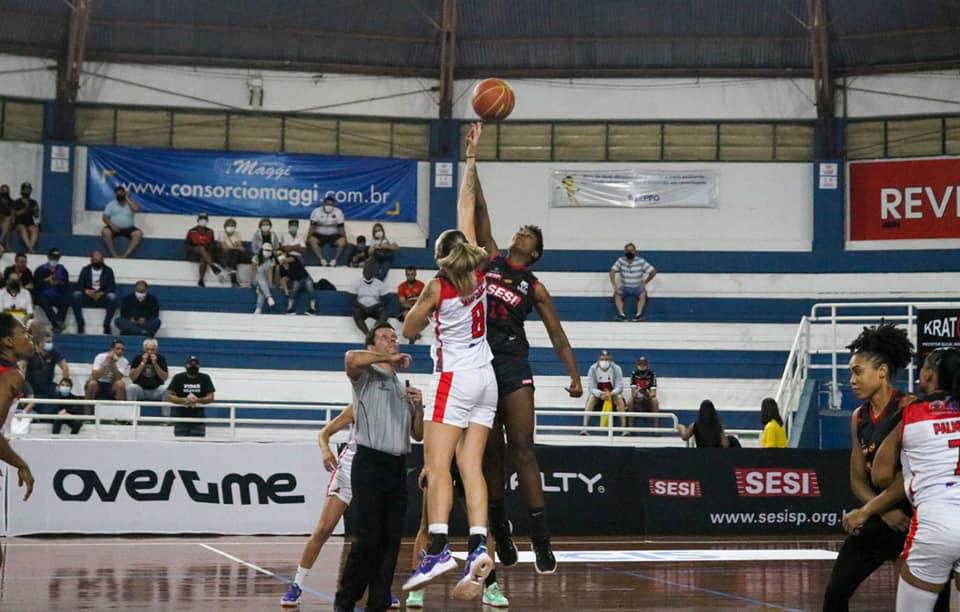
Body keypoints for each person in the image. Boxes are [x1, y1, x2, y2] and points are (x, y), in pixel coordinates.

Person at [457, 121, 582, 574]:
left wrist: (573, 376)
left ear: (535, 252)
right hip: (477, 362)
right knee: (489, 453)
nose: (523, 232)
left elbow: (558, 336)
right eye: (521, 230)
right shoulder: (489, 257)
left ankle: (542, 539)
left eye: (531, 234)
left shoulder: (534, 286)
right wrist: (473, 158)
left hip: (512, 363)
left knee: (523, 448)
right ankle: (500, 528)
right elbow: (480, 206)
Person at [400, 186, 498, 598]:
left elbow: (407, 329)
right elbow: (467, 207)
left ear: (441, 257)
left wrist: (421, 316)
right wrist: (472, 159)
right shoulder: (480, 271)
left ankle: (439, 545)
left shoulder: (438, 286)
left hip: (454, 378)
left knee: (438, 466)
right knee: (471, 467)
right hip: (486, 379)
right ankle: (477, 543)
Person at [820, 323, 951, 612]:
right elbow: (858, 479)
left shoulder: (912, 407)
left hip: (915, 519)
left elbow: (911, 472)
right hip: (883, 517)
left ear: (881, 372)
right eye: (850, 373)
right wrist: (881, 510)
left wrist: (877, 510)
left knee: (934, 604)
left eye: (857, 371)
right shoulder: (858, 416)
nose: (851, 380)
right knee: (835, 593)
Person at [282, 400, 423, 608]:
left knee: (379, 534)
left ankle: (381, 588)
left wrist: (418, 408)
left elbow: (418, 435)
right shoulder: (359, 404)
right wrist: (325, 451)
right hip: (348, 471)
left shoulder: (398, 404)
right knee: (324, 529)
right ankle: (297, 583)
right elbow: (324, 434)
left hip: (376, 473)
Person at [333, 323, 422, 612]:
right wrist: (387, 359)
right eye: (385, 337)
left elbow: (417, 434)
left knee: (391, 540)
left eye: (394, 337)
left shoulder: (402, 386)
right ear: (371, 347)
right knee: (369, 538)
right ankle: (346, 599)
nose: (392, 340)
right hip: (369, 462)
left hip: (397, 466)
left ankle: (379, 601)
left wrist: (419, 408)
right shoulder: (365, 376)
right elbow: (350, 358)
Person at [0, 313, 37, 507]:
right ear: (8, 341)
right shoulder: (11, 376)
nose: (30, 338)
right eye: (24, 333)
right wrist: (21, 464)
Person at [165, 355, 215, 437]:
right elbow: (170, 396)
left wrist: (197, 400)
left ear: (199, 366)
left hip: (198, 420)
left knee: (197, 447)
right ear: (185, 365)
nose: (192, 366)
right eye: (190, 364)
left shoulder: (205, 378)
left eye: (195, 364)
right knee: (179, 446)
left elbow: (210, 397)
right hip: (180, 419)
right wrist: (184, 400)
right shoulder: (178, 377)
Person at [581, 350, 627, 434]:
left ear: (610, 360)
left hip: (612, 394)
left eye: (606, 359)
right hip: (599, 395)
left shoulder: (616, 368)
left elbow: (619, 387)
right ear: (598, 359)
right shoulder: (593, 368)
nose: (604, 361)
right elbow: (591, 387)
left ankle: (624, 428)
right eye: (602, 359)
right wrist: (600, 394)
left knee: (619, 398)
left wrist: (611, 393)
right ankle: (585, 428)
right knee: (591, 398)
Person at [72, 250, 118, 335]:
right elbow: (79, 284)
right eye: (95, 259)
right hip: (88, 296)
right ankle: (80, 324)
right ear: (91, 260)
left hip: (102, 296)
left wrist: (102, 292)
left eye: (99, 259)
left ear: (103, 260)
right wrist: (87, 291)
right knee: (76, 295)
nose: (97, 261)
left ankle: (106, 325)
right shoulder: (85, 270)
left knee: (112, 297)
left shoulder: (108, 270)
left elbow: (112, 286)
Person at [609, 242, 656, 321]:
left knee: (643, 294)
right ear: (625, 251)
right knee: (617, 294)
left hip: (637, 287)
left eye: (631, 251)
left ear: (635, 251)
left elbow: (653, 271)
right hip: (625, 287)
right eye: (628, 251)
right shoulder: (620, 260)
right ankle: (621, 315)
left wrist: (645, 283)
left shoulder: (641, 261)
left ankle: (639, 315)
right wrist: (615, 286)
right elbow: (612, 271)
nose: (629, 253)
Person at [33, 248, 72, 333]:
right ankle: (57, 323)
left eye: (56, 258)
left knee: (66, 300)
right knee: (42, 300)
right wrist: (45, 280)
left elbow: (66, 286)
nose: (54, 260)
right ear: (48, 257)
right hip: (44, 295)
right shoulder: (40, 269)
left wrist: (58, 283)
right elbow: (35, 285)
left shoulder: (63, 270)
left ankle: (56, 325)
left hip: (57, 295)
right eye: (52, 257)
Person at [126, 338, 169, 414]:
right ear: (144, 349)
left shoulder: (161, 359)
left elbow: (164, 378)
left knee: (166, 389)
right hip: (141, 390)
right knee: (131, 387)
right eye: (147, 349)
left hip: (156, 391)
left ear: (156, 350)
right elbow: (132, 377)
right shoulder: (138, 358)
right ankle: (131, 417)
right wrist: (142, 363)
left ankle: (166, 419)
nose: (149, 352)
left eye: (152, 350)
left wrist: (155, 364)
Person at [84, 338, 129, 407]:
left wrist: (113, 364)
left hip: (111, 385)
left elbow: (118, 378)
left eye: (122, 349)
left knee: (120, 384)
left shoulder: (124, 361)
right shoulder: (100, 357)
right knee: (92, 383)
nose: (120, 351)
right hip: (99, 383)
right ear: (112, 349)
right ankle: (87, 415)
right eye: (117, 348)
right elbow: (95, 376)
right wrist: (106, 362)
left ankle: (121, 414)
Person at [101, 185, 143, 258]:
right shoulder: (111, 204)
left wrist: (127, 198)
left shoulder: (130, 203)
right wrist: (111, 225)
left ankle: (125, 256)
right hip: (114, 227)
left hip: (128, 228)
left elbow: (136, 209)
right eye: (117, 193)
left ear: (125, 193)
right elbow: (105, 217)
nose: (119, 194)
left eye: (121, 192)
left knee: (138, 234)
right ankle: (114, 255)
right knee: (105, 232)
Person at [350, 261, 387, 335]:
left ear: (373, 273)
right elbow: (353, 299)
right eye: (366, 272)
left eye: (370, 272)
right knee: (356, 312)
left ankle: (373, 331)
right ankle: (367, 334)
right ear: (363, 272)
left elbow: (385, 301)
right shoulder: (356, 283)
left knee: (384, 314)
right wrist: (364, 307)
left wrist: (372, 307)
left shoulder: (380, 284)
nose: (368, 274)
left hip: (375, 308)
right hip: (361, 308)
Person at [308, 196, 348, 266]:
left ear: (334, 205)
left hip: (333, 235)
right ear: (323, 204)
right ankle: (322, 260)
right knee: (311, 240)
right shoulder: (316, 212)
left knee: (342, 241)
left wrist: (345, 239)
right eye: (327, 204)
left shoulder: (338, 212)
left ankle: (334, 261)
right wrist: (308, 238)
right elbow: (312, 227)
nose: (328, 206)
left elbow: (341, 228)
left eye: (331, 205)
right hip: (319, 235)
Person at [185, 213, 222, 287]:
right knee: (201, 248)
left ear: (207, 221)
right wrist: (193, 248)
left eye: (204, 220)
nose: (203, 221)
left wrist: (212, 246)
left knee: (203, 259)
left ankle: (201, 280)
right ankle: (212, 266)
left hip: (206, 252)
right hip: (194, 252)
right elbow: (187, 244)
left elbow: (212, 243)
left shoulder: (210, 231)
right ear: (198, 221)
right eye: (201, 220)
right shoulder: (191, 231)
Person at [629, 356, 659, 428]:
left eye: (644, 364)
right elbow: (633, 392)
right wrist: (637, 394)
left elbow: (653, 392)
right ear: (637, 364)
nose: (642, 366)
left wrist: (647, 395)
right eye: (640, 364)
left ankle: (656, 428)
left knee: (655, 401)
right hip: (637, 396)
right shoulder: (634, 374)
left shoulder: (652, 374)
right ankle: (630, 428)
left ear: (647, 365)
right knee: (630, 401)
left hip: (648, 396)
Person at [218, 218, 248, 288]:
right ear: (225, 226)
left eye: (232, 225)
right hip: (224, 254)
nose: (230, 227)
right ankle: (233, 280)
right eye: (229, 225)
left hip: (234, 254)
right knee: (231, 253)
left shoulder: (237, 234)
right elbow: (224, 247)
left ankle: (228, 273)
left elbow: (240, 245)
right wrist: (236, 247)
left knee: (234, 254)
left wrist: (236, 247)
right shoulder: (222, 234)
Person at [10, 182, 39, 253]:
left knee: (35, 229)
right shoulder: (16, 202)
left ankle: (30, 248)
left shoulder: (33, 202)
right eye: (25, 189)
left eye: (29, 189)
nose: (27, 191)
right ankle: (30, 248)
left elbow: (36, 216)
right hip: (18, 223)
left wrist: (36, 210)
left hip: (29, 223)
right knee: (22, 228)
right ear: (22, 190)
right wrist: (26, 208)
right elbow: (15, 214)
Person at [252, 242, 277, 315]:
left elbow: (270, 273)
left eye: (269, 251)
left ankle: (258, 308)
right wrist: (253, 281)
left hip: (264, 282)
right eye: (266, 250)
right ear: (262, 250)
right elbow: (253, 271)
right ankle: (269, 297)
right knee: (260, 279)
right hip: (256, 279)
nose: (267, 252)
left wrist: (270, 283)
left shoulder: (272, 260)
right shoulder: (256, 258)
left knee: (262, 291)